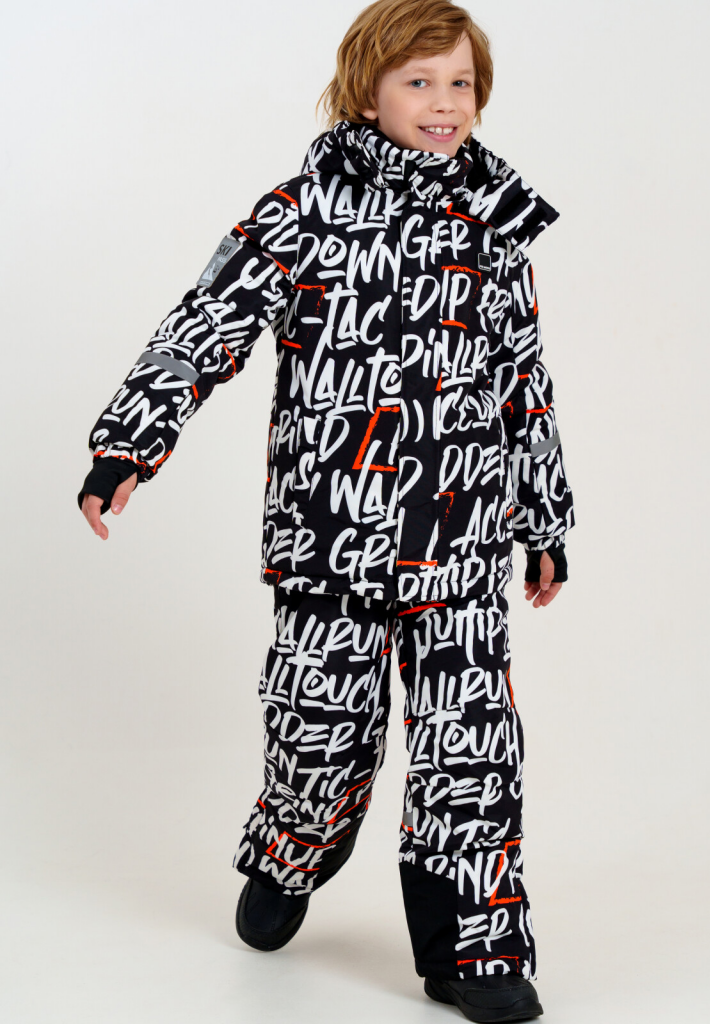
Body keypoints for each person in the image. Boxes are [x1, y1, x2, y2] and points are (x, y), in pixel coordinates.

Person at [77, 1, 574, 1019]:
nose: (444, 103)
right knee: (319, 736)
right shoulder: (304, 209)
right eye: (419, 82)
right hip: (328, 538)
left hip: (459, 539)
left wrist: (543, 517)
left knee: (472, 747)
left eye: (461, 83)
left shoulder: (496, 219)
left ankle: (474, 950)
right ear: (366, 89)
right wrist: (130, 440)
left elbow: (523, 380)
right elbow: (206, 319)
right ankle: (292, 848)